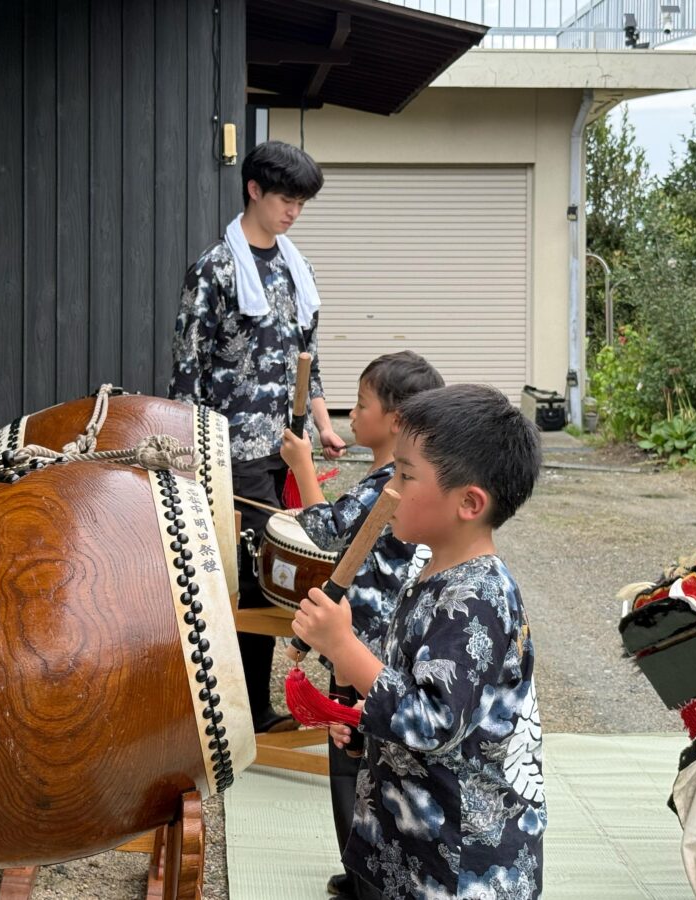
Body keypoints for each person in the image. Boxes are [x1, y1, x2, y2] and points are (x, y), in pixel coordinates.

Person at [293, 384, 547, 900]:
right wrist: (367, 722)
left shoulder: (477, 596)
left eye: (405, 476)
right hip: (411, 841)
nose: (389, 489)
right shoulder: (430, 570)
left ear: (469, 503)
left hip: (460, 862)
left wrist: (343, 647)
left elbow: (434, 720)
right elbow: (408, 683)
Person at [170, 140, 346, 734]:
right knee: (248, 577)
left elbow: (307, 359)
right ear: (254, 190)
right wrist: (189, 454)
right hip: (227, 451)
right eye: (286, 200)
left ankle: (249, 707)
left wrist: (324, 424)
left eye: (302, 203)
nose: (293, 212)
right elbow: (186, 369)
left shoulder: (298, 269)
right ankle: (240, 712)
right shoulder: (216, 268)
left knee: (281, 574)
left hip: (286, 446)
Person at [279, 351, 444, 899]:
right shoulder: (390, 479)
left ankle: (366, 873)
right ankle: (362, 869)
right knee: (361, 756)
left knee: (356, 760)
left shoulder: (384, 485)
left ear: (396, 420)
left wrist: (302, 465)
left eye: (364, 401)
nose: (353, 410)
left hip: (364, 644)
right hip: (373, 641)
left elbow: (326, 532)